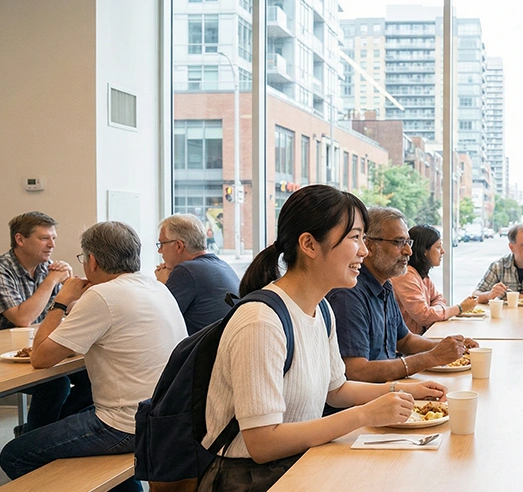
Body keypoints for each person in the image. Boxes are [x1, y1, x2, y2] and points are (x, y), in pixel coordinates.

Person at [197, 186, 446, 490]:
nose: (364, 251)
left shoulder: (322, 308)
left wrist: (405, 391)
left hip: (301, 464)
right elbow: (262, 442)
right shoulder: (261, 322)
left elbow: (336, 389)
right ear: (309, 245)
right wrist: (365, 414)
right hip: (252, 479)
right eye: (355, 238)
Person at [0, 221, 189, 492]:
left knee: (14, 454)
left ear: (92, 261)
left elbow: (40, 357)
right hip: (163, 415)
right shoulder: (155, 286)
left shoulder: (103, 295)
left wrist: (61, 302)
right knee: (70, 414)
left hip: (126, 425)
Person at [327, 207, 478, 384]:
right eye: (399, 242)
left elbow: (405, 340)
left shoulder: (385, 284)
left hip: (390, 388)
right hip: (367, 402)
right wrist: (430, 358)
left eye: (408, 242)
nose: (409, 251)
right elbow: (356, 372)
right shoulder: (348, 293)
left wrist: (448, 347)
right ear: (369, 246)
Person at [0, 212, 86, 434]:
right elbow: (22, 318)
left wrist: (72, 287)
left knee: (93, 374)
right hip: (9, 356)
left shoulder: (47, 269)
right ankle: (34, 440)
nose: (52, 245)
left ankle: (44, 431)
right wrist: (51, 281)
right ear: (20, 239)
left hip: (38, 347)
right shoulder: (3, 270)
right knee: (56, 385)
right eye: (44, 238)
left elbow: (67, 308)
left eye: (54, 238)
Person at [154, 213, 240, 334]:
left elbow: (157, 320)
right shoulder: (223, 265)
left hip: (203, 350)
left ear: (179, 246)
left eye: (162, 244)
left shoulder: (186, 271)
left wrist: (162, 284)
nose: (159, 250)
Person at [393, 224, 477, 334]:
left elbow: (439, 299)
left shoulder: (422, 275)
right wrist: (460, 308)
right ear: (424, 251)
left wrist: (434, 311)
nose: (443, 251)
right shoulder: (406, 276)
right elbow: (424, 316)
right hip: (409, 347)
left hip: (423, 337)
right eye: (438, 247)